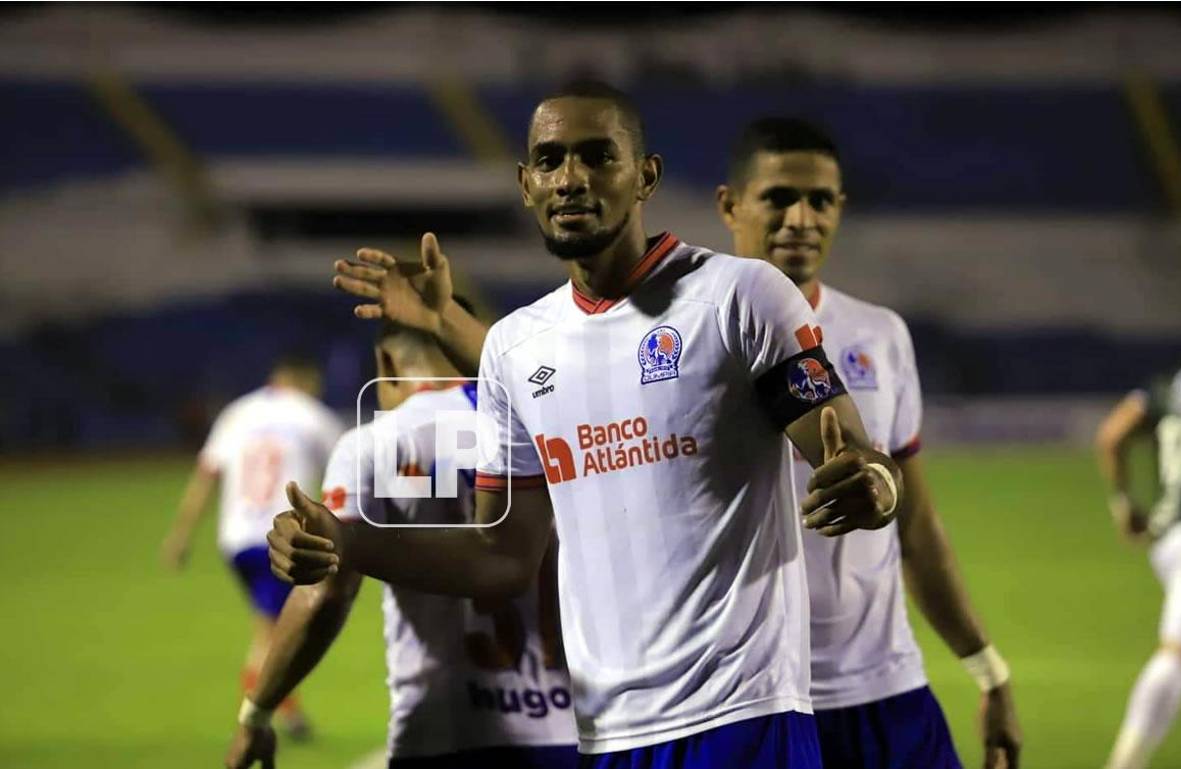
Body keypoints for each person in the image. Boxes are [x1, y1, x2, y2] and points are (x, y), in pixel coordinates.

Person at [271, 80, 904, 768]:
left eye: (598, 156)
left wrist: (874, 484)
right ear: (525, 184)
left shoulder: (740, 298)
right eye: (550, 160)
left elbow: (855, 454)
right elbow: (501, 556)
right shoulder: (517, 347)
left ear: (646, 176)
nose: (571, 178)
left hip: (743, 719)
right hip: (605, 735)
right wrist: (345, 541)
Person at [714, 117, 1022, 769]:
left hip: (885, 691)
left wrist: (989, 670)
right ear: (730, 205)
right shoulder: (685, 342)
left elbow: (917, 527)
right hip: (753, 699)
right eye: (778, 197)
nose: (801, 217)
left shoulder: (880, 334)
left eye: (820, 200)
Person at [224, 318, 577, 769]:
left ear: (386, 364)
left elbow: (326, 593)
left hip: (441, 733)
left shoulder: (378, 444)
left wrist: (256, 715)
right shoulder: (545, 428)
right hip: (575, 730)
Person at [161, 354, 342, 738]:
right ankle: (260, 719)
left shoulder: (236, 414)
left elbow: (206, 475)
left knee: (272, 627)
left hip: (237, 540)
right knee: (274, 635)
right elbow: (345, 472)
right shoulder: (313, 415)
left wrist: (180, 535)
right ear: (306, 381)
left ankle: (287, 714)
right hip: (283, 540)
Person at [1097, 315, 1181, 769]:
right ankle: (1125, 762)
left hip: (1171, 535)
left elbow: (1113, 434)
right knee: (1180, 650)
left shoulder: (1173, 383)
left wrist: (1123, 504)